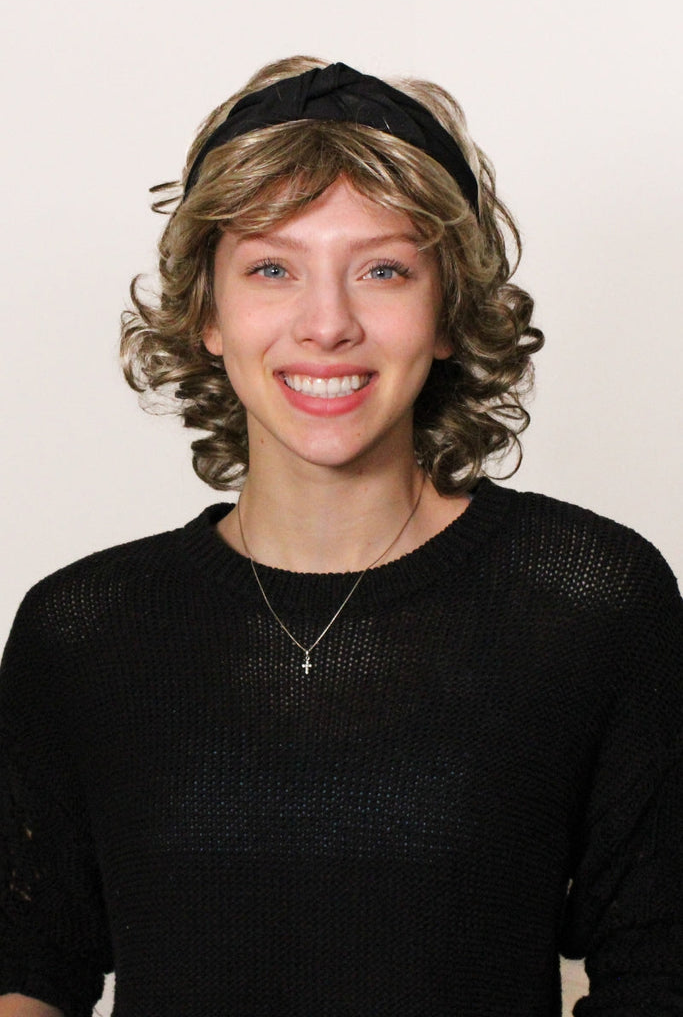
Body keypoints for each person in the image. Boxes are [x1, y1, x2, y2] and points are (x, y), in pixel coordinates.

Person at [0, 55, 681, 1017]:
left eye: (383, 270)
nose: (327, 324)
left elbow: (658, 970)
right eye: (272, 269)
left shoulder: (588, 600)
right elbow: (29, 970)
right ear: (207, 314)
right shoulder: (82, 630)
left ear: (446, 314)